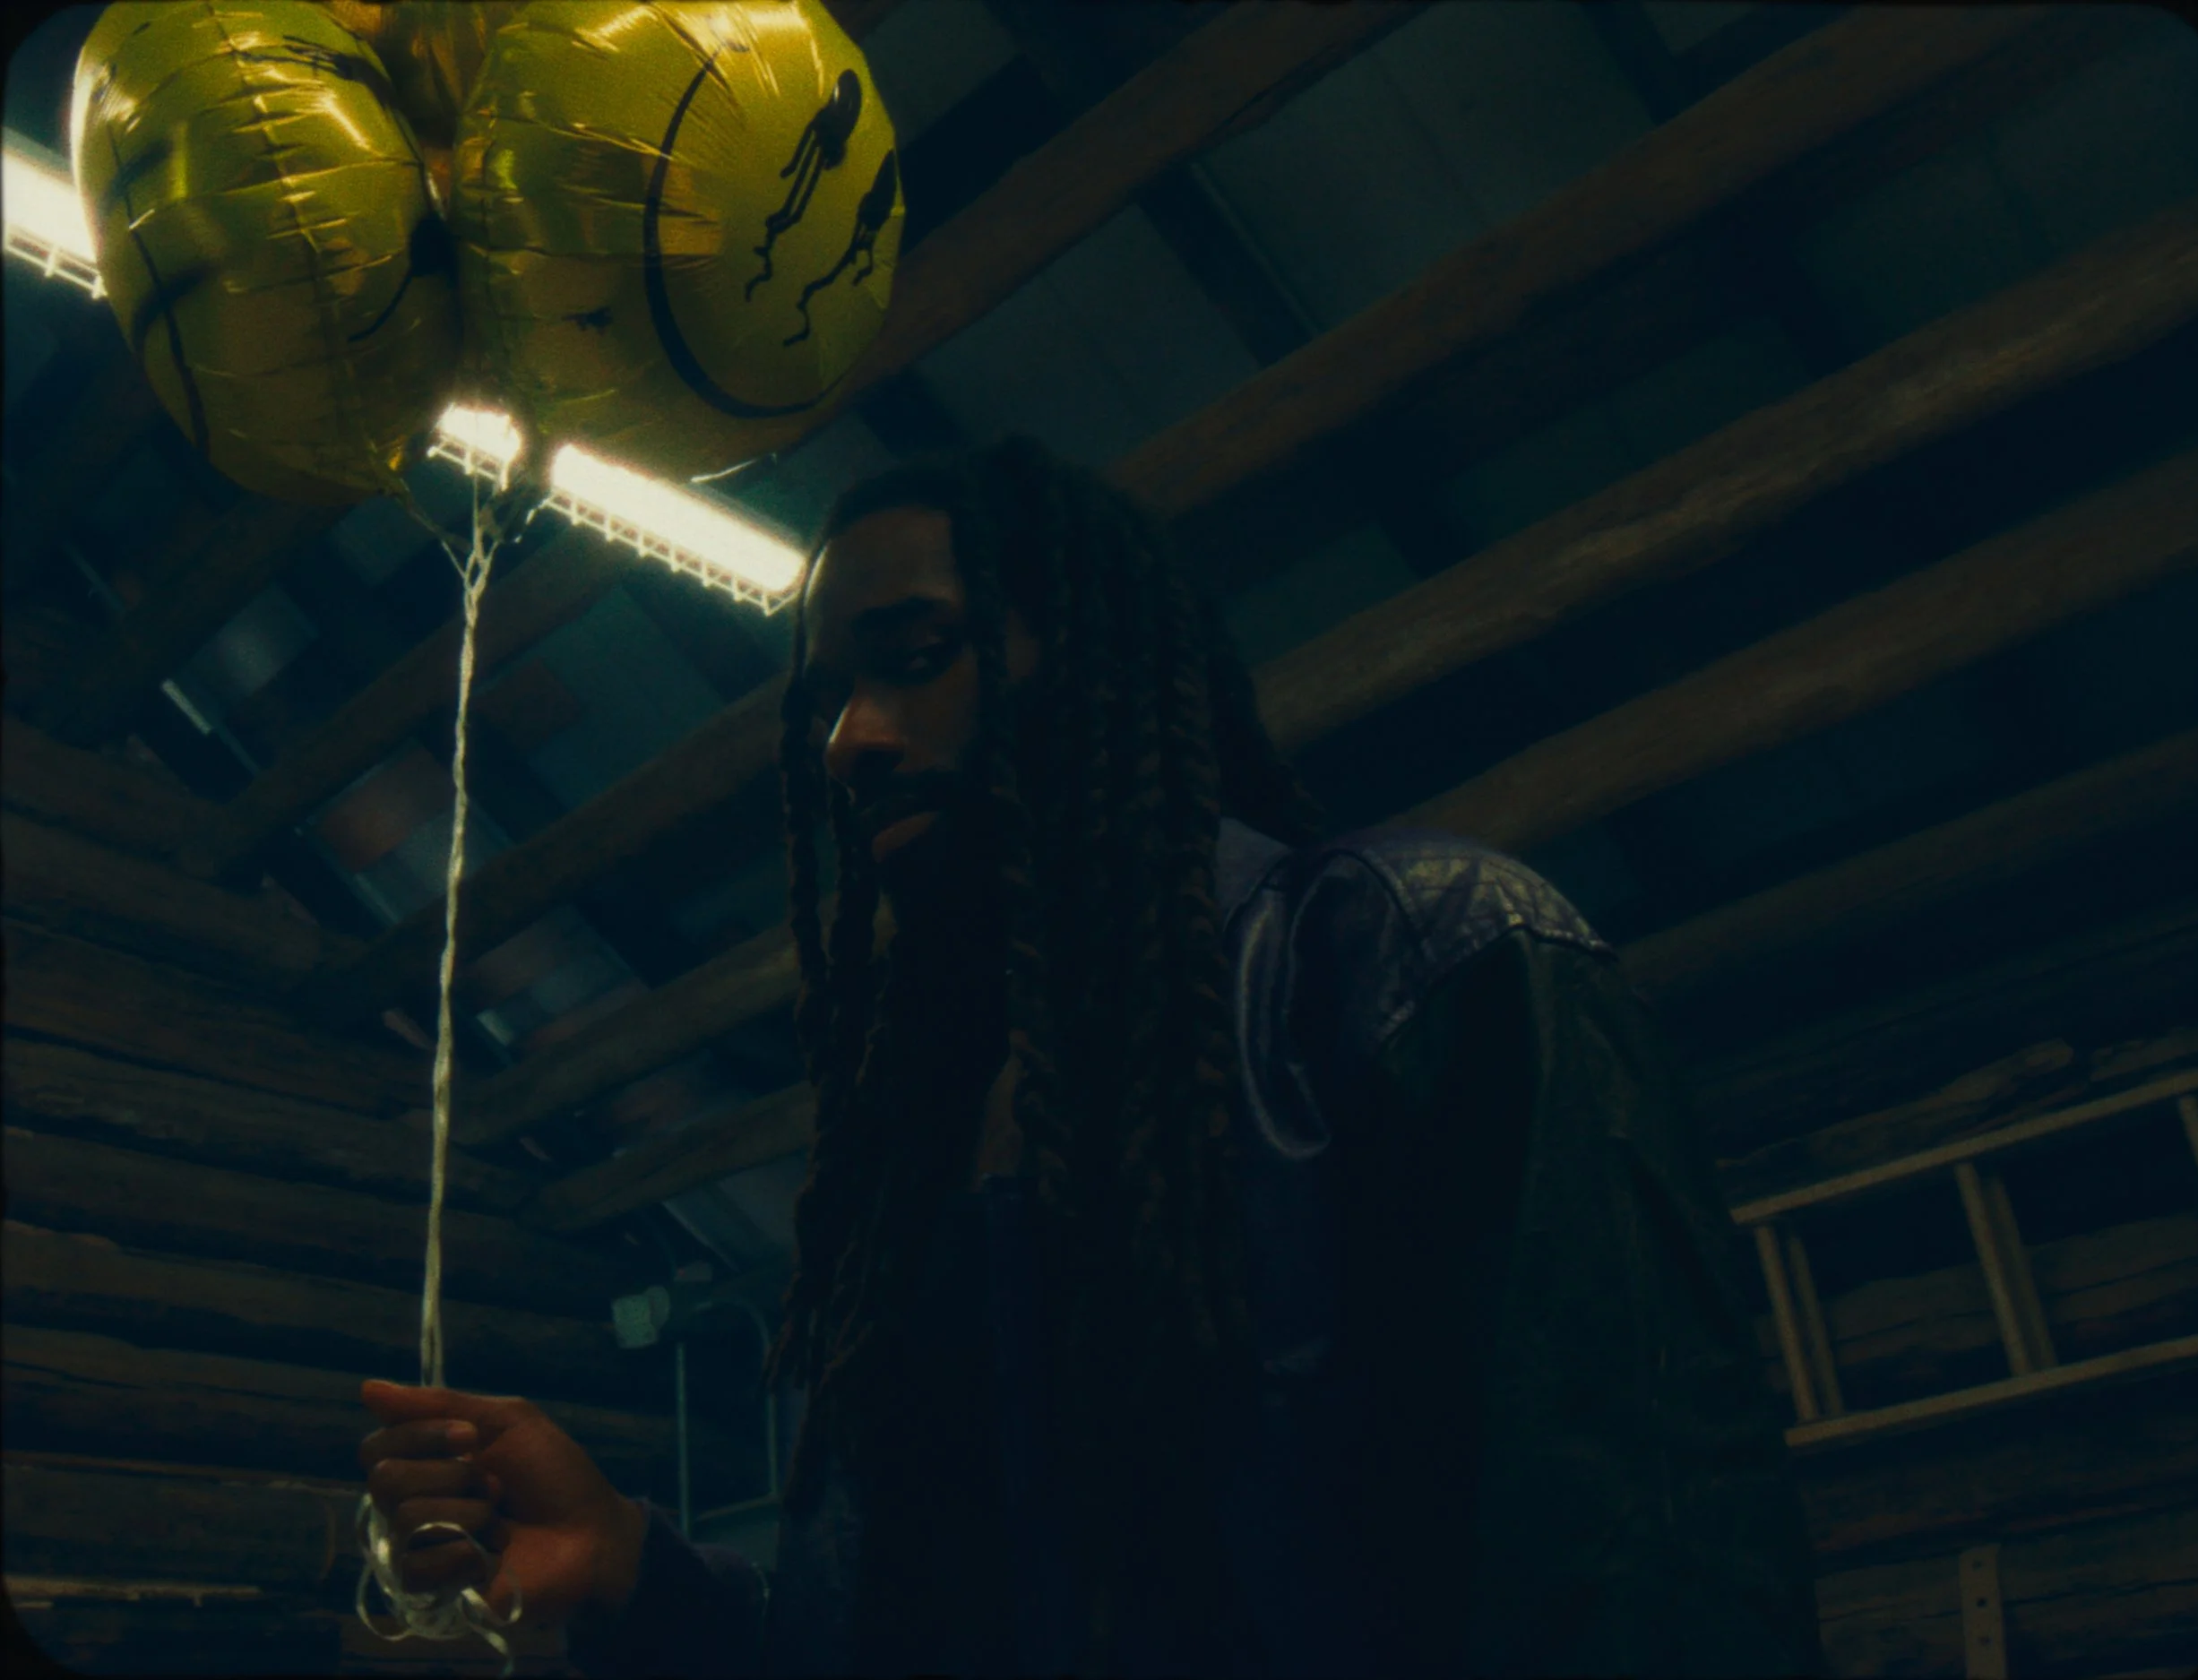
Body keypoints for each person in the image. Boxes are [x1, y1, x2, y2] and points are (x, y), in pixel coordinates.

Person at [360, 435, 1824, 1676]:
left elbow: (1654, 1575)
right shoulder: (902, 1153)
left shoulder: (1412, 960)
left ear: (1096, 660)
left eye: (918, 658)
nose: (850, 742)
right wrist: (625, 1557)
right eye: (825, 702)